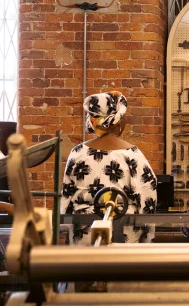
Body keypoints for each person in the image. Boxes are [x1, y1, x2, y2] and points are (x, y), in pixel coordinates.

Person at [61, 91, 157, 245]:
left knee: (85, 269)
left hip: (85, 235)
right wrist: (148, 236)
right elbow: (148, 198)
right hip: (124, 234)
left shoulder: (78, 153)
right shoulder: (133, 155)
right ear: (117, 121)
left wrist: (68, 229)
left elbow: (66, 199)